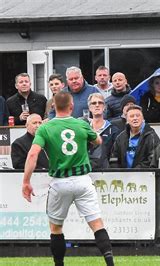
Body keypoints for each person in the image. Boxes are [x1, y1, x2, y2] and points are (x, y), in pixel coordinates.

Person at [22, 91, 114, 266]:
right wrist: (86, 136)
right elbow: (99, 141)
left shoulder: (45, 128)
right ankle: (110, 263)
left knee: (56, 228)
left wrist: (26, 182)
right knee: (97, 224)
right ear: (72, 106)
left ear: (54, 106)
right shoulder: (81, 124)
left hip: (60, 181)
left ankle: (59, 264)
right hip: (82, 180)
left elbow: (33, 154)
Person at [87, 93, 119, 169]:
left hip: (105, 173)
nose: (97, 105)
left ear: (104, 107)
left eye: (100, 103)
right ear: (89, 108)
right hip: (86, 171)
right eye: (94, 103)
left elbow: (115, 156)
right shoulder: (84, 129)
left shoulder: (114, 131)